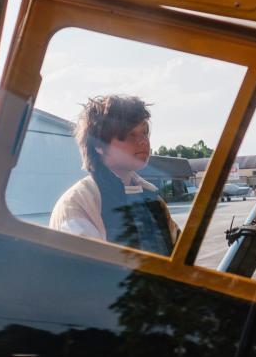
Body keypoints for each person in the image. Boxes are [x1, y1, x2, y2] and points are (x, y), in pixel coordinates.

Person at [50, 95, 179, 255]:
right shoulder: (79, 203)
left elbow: (179, 256)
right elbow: (88, 272)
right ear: (99, 145)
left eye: (144, 132)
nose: (143, 141)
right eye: (130, 134)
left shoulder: (153, 199)